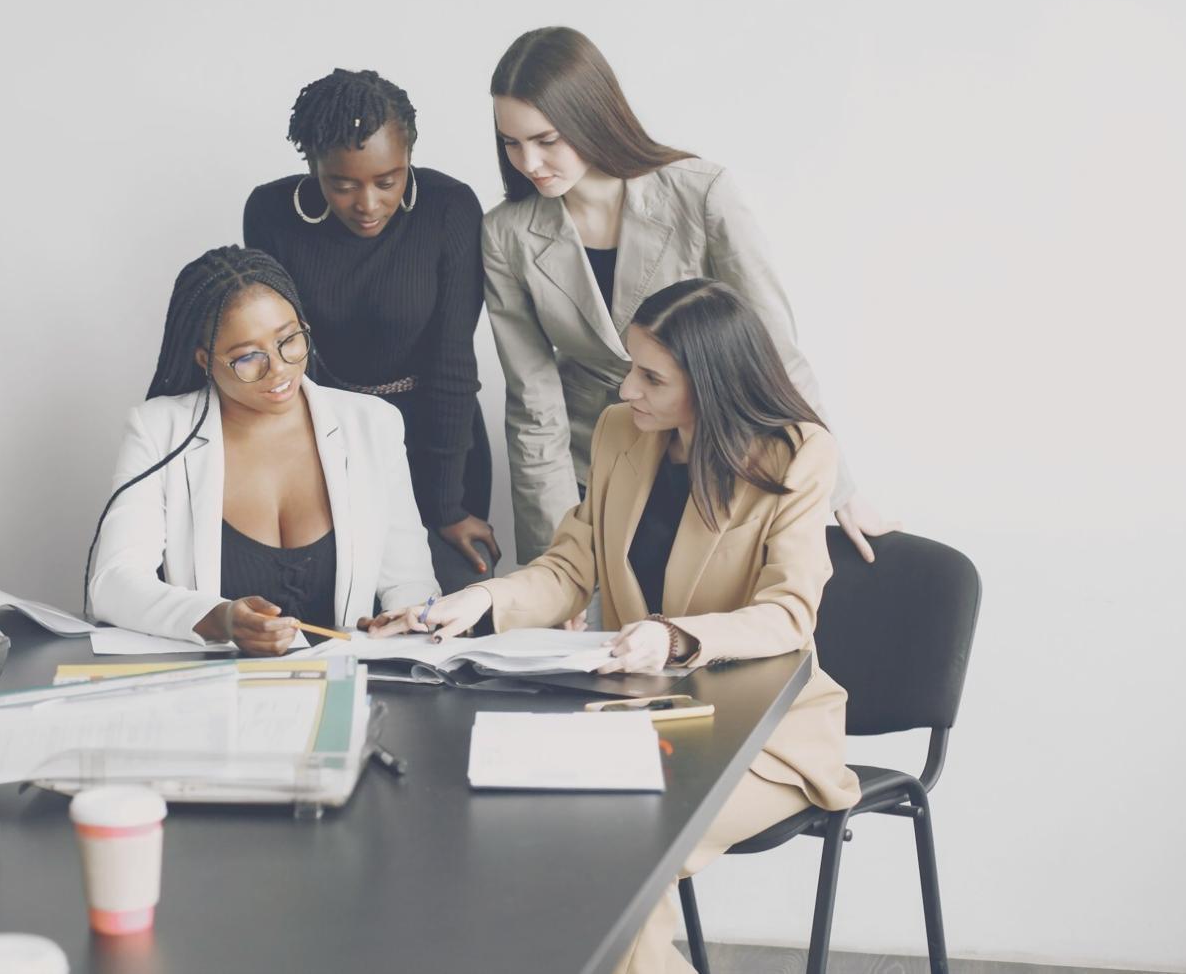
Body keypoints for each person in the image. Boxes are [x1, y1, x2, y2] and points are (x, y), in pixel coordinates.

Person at [371, 278, 862, 974]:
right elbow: (571, 564)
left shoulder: (798, 452)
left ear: (712, 383)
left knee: (627, 859)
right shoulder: (620, 433)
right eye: (631, 365)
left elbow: (788, 611)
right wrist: (479, 601)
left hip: (766, 736)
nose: (628, 388)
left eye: (651, 376)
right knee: (537, 838)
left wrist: (675, 635)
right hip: (645, 721)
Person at [482, 25, 896, 566]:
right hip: (595, 469)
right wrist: (553, 559)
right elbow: (533, 406)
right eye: (511, 143)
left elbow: (772, 350)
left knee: (701, 636)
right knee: (595, 639)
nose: (529, 163)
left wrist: (837, 488)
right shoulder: (505, 233)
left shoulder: (700, 193)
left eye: (546, 141)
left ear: (590, 117)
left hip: (714, 457)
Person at [85, 246, 438, 655]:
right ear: (204, 360)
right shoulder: (160, 429)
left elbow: (410, 581)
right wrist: (221, 618)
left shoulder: (372, 424)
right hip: (218, 692)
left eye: (289, 340)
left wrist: (402, 618)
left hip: (348, 679)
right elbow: (113, 582)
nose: (279, 369)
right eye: (248, 357)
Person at [244, 68, 500, 596]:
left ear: (409, 161)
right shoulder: (271, 214)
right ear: (314, 168)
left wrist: (448, 507)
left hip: (437, 439)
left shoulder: (448, 208)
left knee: (442, 610)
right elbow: (284, 358)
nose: (367, 203)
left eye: (389, 181)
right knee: (333, 611)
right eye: (342, 184)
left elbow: (453, 362)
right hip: (325, 440)